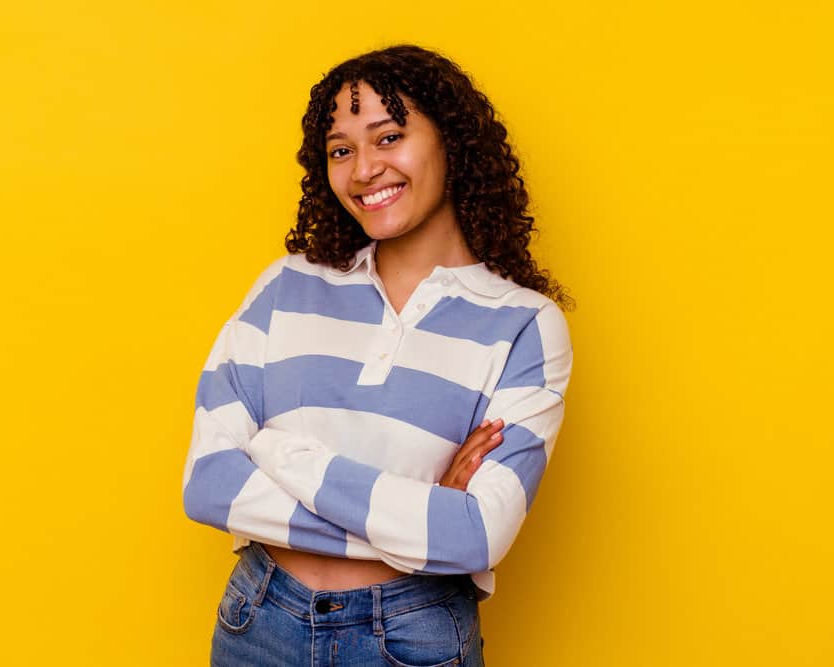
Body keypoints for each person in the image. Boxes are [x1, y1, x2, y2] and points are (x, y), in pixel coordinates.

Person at [182, 44, 573, 666]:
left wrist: (281, 453)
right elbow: (208, 487)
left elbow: (475, 536)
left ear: (452, 143)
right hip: (259, 622)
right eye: (342, 149)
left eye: (387, 137)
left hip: (413, 637)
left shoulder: (525, 325)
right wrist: (423, 514)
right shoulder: (285, 288)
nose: (364, 169)